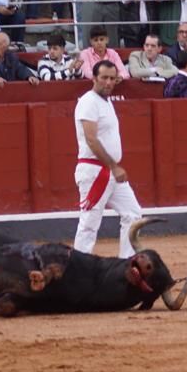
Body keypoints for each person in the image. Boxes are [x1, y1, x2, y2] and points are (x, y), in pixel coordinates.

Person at [71, 61, 142, 257]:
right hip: (96, 171)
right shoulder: (88, 101)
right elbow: (91, 139)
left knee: (133, 213)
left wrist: (114, 167)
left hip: (109, 170)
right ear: (94, 78)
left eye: (112, 78)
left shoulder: (105, 101)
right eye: (104, 78)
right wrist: (113, 165)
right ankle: (78, 269)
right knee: (89, 223)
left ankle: (126, 262)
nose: (108, 82)